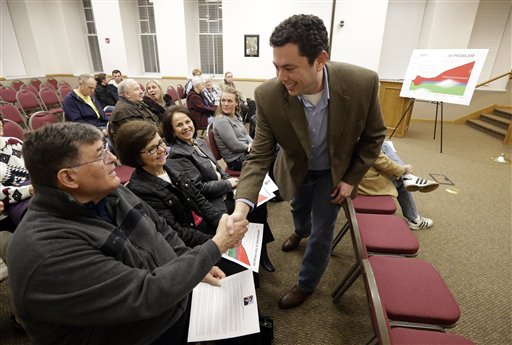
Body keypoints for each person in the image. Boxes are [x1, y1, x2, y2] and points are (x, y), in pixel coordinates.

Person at [7, 122, 249, 345]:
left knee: (244, 315)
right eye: (101, 155)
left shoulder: (111, 192)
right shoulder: (48, 250)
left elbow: (163, 231)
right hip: (144, 334)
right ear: (68, 177)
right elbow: (144, 293)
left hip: (167, 305)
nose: (114, 159)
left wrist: (197, 267)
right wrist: (215, 246)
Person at [227, 14, 386, 309]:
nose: (281, 77)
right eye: (276, 67)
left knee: (323, 230)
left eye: (289, 67)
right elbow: (259, 154)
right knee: (298, 208)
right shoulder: (268, 96)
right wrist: (241, 207)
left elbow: (374, 137)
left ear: (320, 59)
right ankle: (300, 230)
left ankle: (306, 284)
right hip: (296, 169)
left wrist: (351, 179)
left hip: (334, 174)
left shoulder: (362, 83)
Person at [163, 106, 275, 272]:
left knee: (256, 201)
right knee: (252, 208)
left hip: (226, 191)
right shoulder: (178, 156)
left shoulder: (199, 142)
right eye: (179, 125)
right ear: (172, 132)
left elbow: (218, 169)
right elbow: (199, 188)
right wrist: (229, 184)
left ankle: (261, 251)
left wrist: (229, 181)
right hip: (212, 204)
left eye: (187, 122)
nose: (186, 127)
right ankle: (251, 258)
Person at [115, 120, 220, 247]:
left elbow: (199, 200)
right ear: (134, 156)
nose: (161, 150)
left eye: (160, 143)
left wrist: (221, 222)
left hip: (203, 230)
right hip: (192, 246)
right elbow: (176, 233)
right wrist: (216, 242)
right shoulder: (141, 191)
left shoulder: (171, 166)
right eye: (152, 149)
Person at [359, 142, 438, 229]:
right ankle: (415, 219)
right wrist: (403, 169)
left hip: (354, 174)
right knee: (400, 181)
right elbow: (380, 161)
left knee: (384, 145)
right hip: (358, 182)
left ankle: (408, 177)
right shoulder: (362, 133)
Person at [0, 115, 33, 231]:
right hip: (17, 200)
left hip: (38, 185)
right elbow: (1, 194)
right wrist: (30, 190)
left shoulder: (14, 142)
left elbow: (36, 164)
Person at [108, 79, 161, 147]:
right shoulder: (124, 111)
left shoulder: (138, 104)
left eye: (140, 88)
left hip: (154, 142)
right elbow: (143, 137)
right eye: (137, 89)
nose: (141, 92)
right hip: (145, 148)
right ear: (127, 94)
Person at [213, 87, 253, 171]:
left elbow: (245, 134)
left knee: (274, 149)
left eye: (230, 101)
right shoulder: (222, 121)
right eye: (223, 100)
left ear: (237, 103)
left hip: (245, 152)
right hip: (236, 161)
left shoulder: (235, 115)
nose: (226, 104)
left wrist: (252, 143)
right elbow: (235, 146)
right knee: (269, 159)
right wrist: (249, 147)